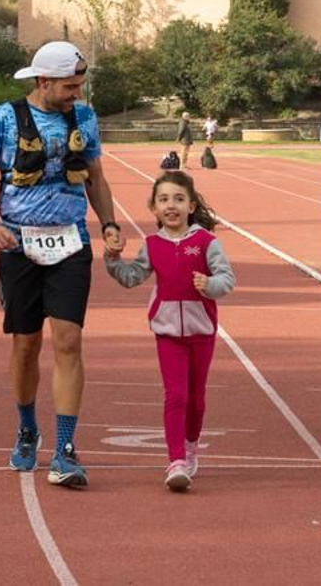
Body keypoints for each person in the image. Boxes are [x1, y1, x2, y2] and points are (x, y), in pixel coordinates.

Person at [0, 40, 120, 488]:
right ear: (43, 81)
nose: (76, 94)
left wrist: (108, 223)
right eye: (69, 86)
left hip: (71, 244)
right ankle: (27, 428)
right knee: (26, 345)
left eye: (79, 85)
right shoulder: (2, 119)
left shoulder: (84, 119)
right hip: (18, 247)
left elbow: (97, 177)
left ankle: (65, 449)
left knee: (68, 341)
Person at [102, 170, 236, 492]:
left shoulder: (206, 242)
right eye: (163, 200)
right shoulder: (152, 245)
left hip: (201, 331)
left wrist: (210, 285)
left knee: (196, 399)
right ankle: (175, 460)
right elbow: (133, 276)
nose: (171, 205)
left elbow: (227, 279)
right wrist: (112, 259)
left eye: (178, 199)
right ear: (153, 207)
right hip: (167, 334)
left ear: (191, 206)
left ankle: (191, 446)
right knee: (175, 395)